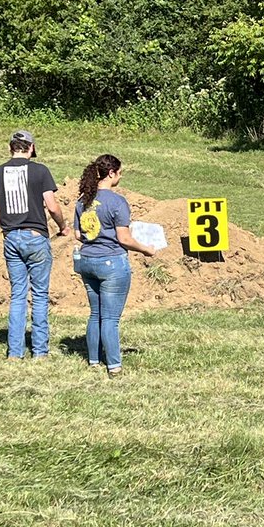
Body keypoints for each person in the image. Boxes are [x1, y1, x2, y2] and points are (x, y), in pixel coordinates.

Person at [0, 130, 69, 360]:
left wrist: (8, 226)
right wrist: (63, 227)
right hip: (36, 236)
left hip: (11, 237)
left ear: (10, 148)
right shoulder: (40, 171)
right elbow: (52, 207)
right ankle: (40, 351)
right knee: (40, 295)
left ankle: (14, 352)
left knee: (17, 295)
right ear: (31, 148)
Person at [74, 155, 156, 377]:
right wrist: (146, 249)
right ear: (111, 173)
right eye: (120, 172)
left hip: (87, 261)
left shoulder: (83, 201)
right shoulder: (117, 202)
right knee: (110, 318)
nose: (121, 176)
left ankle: (93, 360)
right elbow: (124, 238)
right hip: (112, 263)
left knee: (95, 314)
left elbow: (78, 234)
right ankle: (114, 366)